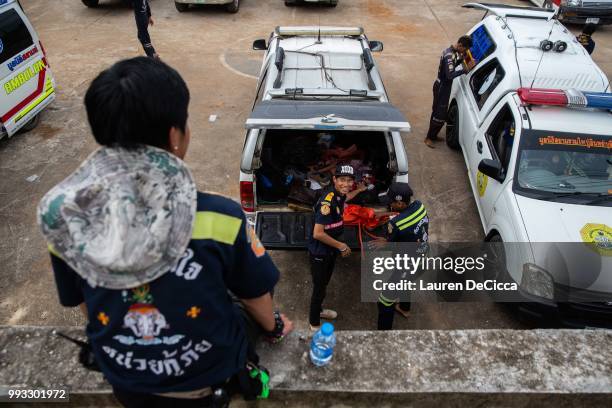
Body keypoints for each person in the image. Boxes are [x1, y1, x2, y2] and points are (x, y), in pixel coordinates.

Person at [37, 57, 292, 408]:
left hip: (124, 381)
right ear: (176, 136)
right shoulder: (221, 219)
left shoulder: (66, 217)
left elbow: (83, 301)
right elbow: (255, 298)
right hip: (203, 384)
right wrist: (274, 326)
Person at [307, 164, 367, 330]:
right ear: (334, 179)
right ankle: (314, 322)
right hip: (320, 251)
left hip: (330, 248)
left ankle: (319, 310)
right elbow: (318, 233)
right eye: (342, 180)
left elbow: (346, 198)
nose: (346, 184)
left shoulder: (340, 194)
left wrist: (359, 191)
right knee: (319, 287)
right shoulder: (327, 202)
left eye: (349, 181)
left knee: (324, 282)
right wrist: (341, 246)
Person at [371, 182, 429, 330]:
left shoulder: (396, 224)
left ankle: (384, 335)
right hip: (422, 256)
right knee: (406, 283)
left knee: (384, 302)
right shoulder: (419, 206)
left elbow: (390, 242)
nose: (389, 205)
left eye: (391, 202)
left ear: (400, 203)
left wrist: (384, 241)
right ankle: (404, 308)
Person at [424, 35, 473, 148]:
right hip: (442, 87)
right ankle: (429, 138)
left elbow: (453, 64)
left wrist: (462, 58)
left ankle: (433, 135)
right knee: (437, 113)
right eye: (464, 49)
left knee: (440, 113)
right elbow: (450, 75)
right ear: (460, 45)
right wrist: (464, 70)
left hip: (444, 87)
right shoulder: (449, 55)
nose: (464, 52)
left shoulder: (453, 53)